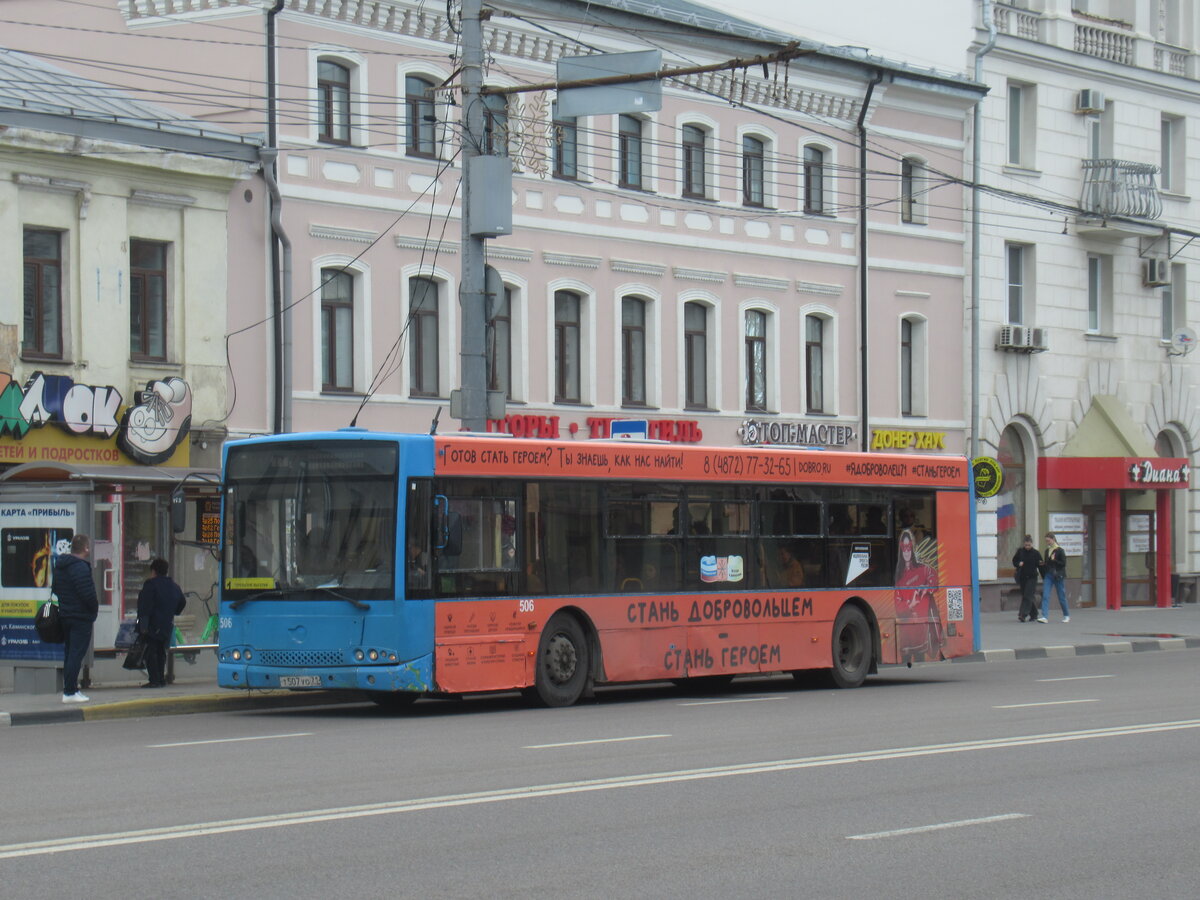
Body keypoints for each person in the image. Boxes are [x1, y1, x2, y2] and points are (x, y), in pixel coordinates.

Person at [54, 534, 98, 704]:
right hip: (80, 617)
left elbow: (56, 589)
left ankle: (71, 688)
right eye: (89, 546)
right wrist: (93, 610)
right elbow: (87, 594)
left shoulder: (61, 566)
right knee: (76, 654)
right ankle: (70, 691)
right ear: (85, 548)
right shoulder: (79, 567)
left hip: (65, 614)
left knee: (69, 652)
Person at [136, 558, 187, 688]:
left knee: (151, 651)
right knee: (161, 651)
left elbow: (144, 607)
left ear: (153, 571)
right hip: (166, 624)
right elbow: (182, 602)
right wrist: (173, 611)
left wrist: (143, 626)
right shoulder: (174, 586)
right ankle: (160, 678)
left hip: (152, 624)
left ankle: (154, 680)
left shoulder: (151, 585)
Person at [1012, 534, 1043, 623]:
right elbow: (1014, 561)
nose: (1027, 547)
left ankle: (1022, 614)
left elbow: (1040, 565)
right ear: (1024, 544)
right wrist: (1018, 564)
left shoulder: (1036, 553)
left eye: (1029, 545)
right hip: (1022, 577)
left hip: (1032, 577)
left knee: (1027, 595)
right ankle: (1034, 614)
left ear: (1032, 544)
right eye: (1026, 545)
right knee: (1028, 596)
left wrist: (1044, 574)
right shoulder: (1020, 552)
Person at [1039, 532, 1069, 623]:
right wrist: (1044, 563)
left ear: (1053, 539)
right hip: (1049, 575)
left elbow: (1063, 563)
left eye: (1048, 541)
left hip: (1058, 575)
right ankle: (1044, 616)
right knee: (1045, 595)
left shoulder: (1059, 550)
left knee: (1061, 596)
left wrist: (1054, 561)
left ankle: (1066, 615)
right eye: (1046, 541)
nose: (1047, 543)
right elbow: (1048, 563)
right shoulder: (1047, 551)